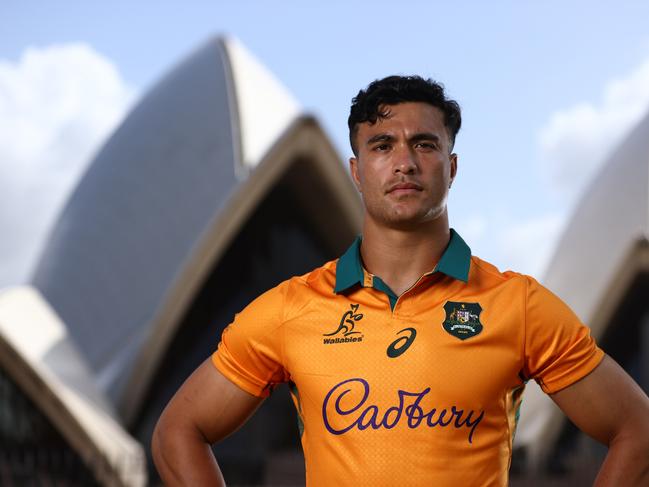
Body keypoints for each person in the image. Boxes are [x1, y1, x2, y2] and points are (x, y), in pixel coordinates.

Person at [151, 75, 649, 486]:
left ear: (451, 168)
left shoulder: (517, 305)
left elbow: (638, 428)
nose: (404, 162)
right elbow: (178, 430)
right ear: (356, 170)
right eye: (382, 145)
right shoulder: (292, 307)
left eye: (425, 144)